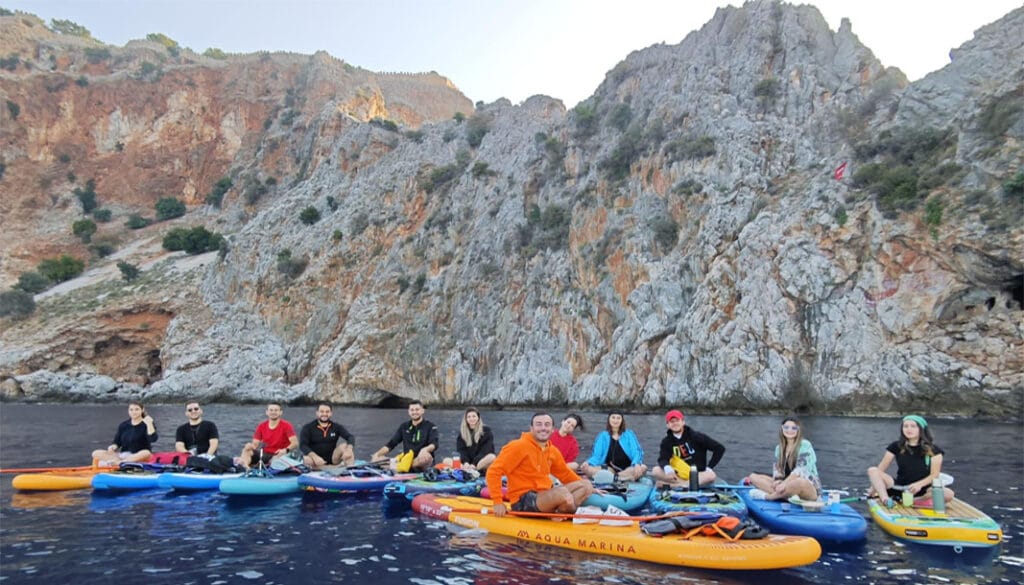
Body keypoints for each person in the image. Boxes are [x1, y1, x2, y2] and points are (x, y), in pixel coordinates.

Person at [485, 412, 594, 517]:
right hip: (523, 500)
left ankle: (560, 513)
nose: (543, 428)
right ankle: (565, 514)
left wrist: (589, 488)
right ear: (531, 428)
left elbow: (565, 474)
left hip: (545, 494)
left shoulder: (552, 450)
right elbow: (493, 471)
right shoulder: (517, 446)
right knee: (562, 493)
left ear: (552, 430)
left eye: (547, 425)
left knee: (586, 485)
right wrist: (497, 501)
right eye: (539, 424)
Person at [867, 414, 954, 506]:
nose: (909, 429)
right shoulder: (896, 446)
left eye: (913, 426)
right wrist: (873, 488)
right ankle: (886, 499)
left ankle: (916, 500)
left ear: (921, 429)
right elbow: (881, 468)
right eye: (906, 426)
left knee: (948, 494)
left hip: (921, 489)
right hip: (899, 486)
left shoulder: (935, 451)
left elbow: (934, 475)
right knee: (872, 470)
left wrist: (919, 485)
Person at [744, 417, 820, 501]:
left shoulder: (805, 445)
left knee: (799, 482)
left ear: (798, 430)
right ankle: (786, 496)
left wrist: (784, 483)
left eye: (794, 428)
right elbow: (778, 470)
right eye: (786, 427)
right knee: (753, 477)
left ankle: (768, 497)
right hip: (786, 484)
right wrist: (778, 481)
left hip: (808, 487)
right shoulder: (779, 448)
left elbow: (801, 470)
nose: (789, 430)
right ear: (782, 428)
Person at [651, 409, 725, 488]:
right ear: (668, 425)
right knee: (655, 471)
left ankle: (677, 485)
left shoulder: (696, 436)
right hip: (679, 473)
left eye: (677, 420)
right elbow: (663, 459)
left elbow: (719, 448)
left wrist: (709, 467)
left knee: (711, 475)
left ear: (683, 422)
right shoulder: (666, 441)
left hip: (697, 473)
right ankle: (687, 484)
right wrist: (667, 467)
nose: (675, 423)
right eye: (672, 422)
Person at [371, 400, 439, 471]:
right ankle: (402, 467)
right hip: (406, 460)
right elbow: (391, 444)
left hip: (420, 462)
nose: (414, 412)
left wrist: (425, 450)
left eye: (417, 409)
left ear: (422, 411)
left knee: (426, 457)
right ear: (409, 412)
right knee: (377, 459)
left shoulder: (431, 426)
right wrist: (377, 454)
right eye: (412, 410)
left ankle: (398, 467)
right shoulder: (404, 426)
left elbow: (434, 443)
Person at [580, 412, 648, 481]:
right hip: (609, 469)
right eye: (613, 417)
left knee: (643, 467)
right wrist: (588, 462)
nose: (615, 420)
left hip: (628, 468)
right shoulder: (603, 435)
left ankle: (613, 478)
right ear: (609, 420)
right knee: (587, 468)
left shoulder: (629, 434)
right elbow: (596, 455)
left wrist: (636, 463)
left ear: (622, 420)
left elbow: (637, 451)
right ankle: (620, 478)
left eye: (618, 418)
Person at [91, 402, 158, 465]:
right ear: (128, 411)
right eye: (131, 410)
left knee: (146, 453)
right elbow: (117, 442)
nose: (134, 412)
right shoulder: (124, 425)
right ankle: (119, 462)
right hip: (124, 455)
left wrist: (149, 424)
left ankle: (121, 463)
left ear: (142, 410)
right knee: (96, 453)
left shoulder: (147, 424)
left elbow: (153, 439)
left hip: (139, 456)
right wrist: (113, 447)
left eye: (137, 409)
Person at [238, 402, 298, 469]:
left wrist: (285, 450)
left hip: (279, 454)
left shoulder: (286, 426)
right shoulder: (261, 426)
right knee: (247, 450)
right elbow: (255, 443)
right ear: (267, 412)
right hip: (265, 454)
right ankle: (246, 469)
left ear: (280, 412)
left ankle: (268, 467)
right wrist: (250, 446)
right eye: (271, 410)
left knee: (275, 461)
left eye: (276, 410)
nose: (273, 412)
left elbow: (295, 443)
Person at [299, 402, 356, 469]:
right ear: (317, 413)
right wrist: (315, 457)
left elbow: (350, 437)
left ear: (331, 413)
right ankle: (333, 468)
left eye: (327, 412)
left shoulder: (336, 427)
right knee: (307, 459)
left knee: (345, 446)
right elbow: (303, 445)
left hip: (333, 458)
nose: (324, 414)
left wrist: (349, 449)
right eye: (322, 411)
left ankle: (350, 470)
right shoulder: (308, 427)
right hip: (315, 459)